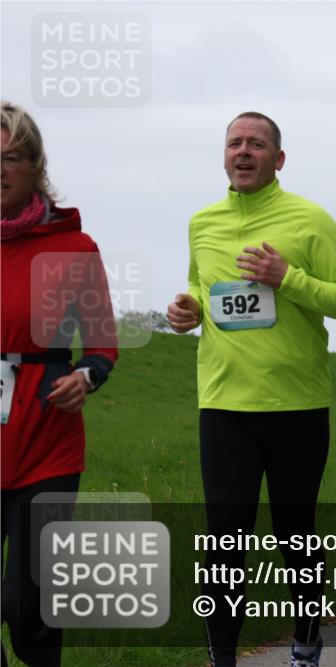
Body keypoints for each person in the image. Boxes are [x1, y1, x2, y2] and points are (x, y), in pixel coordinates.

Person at [166, 111, 336, 667]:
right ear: (224, 156)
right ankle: (222, 657)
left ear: (278, 159)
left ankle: (305, 643)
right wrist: (189, 308)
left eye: (257, 144)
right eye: (235, 143)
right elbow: (201, 288)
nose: (244, 151)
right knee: (224, 541)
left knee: (295, 535)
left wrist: (288, 278)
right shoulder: (202, 223)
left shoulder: (310, 220)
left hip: (297, 406)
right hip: (224, 406)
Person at [1, 101, 118, 666]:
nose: (0, 170)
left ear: (35, 165)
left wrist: (86, 375)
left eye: (11, 158)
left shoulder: (73, 248)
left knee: (30, 602)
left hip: (46, 444)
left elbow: (101, 341)